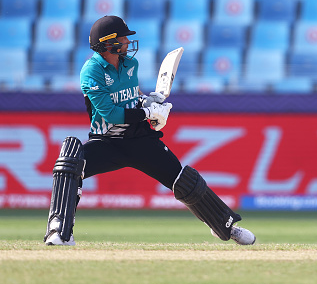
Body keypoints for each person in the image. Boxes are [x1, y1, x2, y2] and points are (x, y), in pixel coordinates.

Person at [43, 15, 256, 246]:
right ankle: (59, 230)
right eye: (123, 38)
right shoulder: (91, 71)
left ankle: (224, 224)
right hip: (107, 141)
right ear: (108, 43)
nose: (127, 42)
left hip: (140, 139)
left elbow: (130, 99)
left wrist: (148, 102)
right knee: (70, 163)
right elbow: (110, 114)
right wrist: (148, 113)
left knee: (182, 179)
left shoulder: (130, 65)